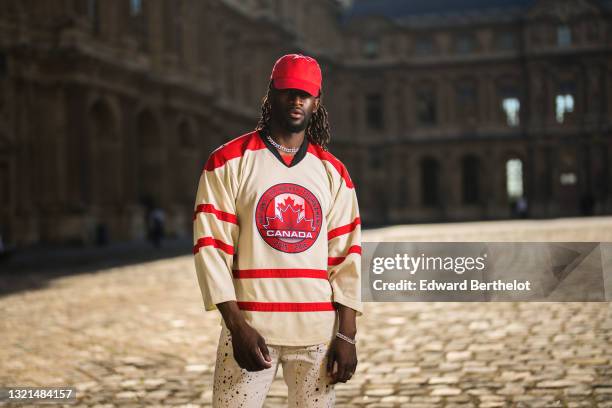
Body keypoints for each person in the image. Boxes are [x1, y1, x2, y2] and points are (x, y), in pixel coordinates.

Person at [193, 54, 362, 407]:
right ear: (271, 94)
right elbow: (211, 246)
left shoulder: (334, 172)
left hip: (317, 335)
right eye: (288, 91)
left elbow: (347, 257)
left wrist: (346, 335)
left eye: (305, 93)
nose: (296, 100)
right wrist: (236, 325)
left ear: (317, 102)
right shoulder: (227, 162)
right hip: (251, 329)